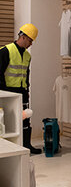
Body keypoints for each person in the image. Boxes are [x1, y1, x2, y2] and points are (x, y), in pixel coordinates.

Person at [0, 23, 41, 154]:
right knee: (7, 120)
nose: (31, 44)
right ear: (22, 36)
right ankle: (9, 147)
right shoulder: (5, 51)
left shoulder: (28, 56)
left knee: (25, 119)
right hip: (7, 92)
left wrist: (27, 90)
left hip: (21, 91)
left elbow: (26, 74)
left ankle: (26, 145)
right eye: (30, 40)